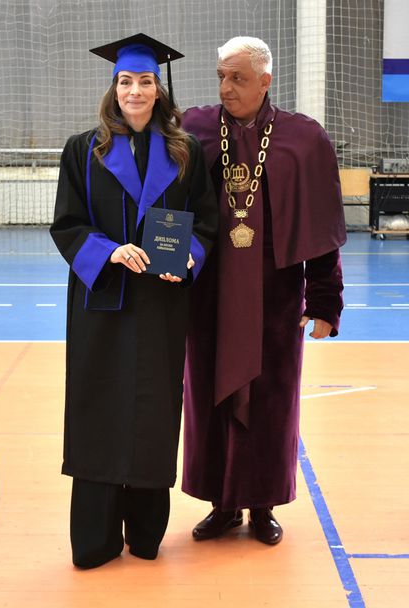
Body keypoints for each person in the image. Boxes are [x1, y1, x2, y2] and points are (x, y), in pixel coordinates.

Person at [50, 33, 218, 568]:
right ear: (114, 87)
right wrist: (110, 251)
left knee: (152, 410)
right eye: (126, 81)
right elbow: (67, 223)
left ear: (158, 89)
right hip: (102, 302)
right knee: (98, 410)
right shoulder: (84, 150)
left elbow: (207, 221)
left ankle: (145, 534)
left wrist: (189, 256)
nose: (135, 91)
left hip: (160, 304)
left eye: (145, 81)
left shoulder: (185, 152)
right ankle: (95, 539)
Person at [181, 36, 346, 545]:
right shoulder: (194, 130)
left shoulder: (303, 139)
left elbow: (320, 229)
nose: (226, 88)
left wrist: (324, 302)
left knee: (271, 403)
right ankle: (222, 504)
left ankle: (262, 505)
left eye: (238, 78)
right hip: (208, 296)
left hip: (276, 299)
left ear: (265, 81)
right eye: (221, 77)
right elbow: (167, 203)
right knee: (208, 397)